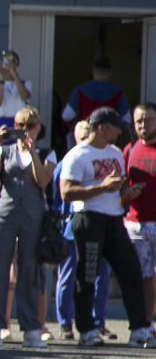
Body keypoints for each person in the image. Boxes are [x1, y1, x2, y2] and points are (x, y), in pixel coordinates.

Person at [60, 107, 152, 346]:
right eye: (115, 128)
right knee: (87, 275)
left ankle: (140, 329)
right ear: (102, 128)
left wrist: (126, 191)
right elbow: (66, 192)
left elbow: (117, 185)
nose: (120, 132)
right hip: (89, 219)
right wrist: (102, 186)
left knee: (131, 271)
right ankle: (86, 331)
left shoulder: (115, 152)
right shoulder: (77, 155)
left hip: (114, 220)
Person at [0, 108, 52, 348]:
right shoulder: (4, 150)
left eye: (30, 125)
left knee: (29, 270)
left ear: (38, 128)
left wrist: (32, 152)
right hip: (5, 213)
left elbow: (43, 180)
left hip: (33, 216)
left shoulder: (46, 152)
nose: (25, 129)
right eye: (21, 125)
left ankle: (31, 329)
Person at [52, 120, 111, 341]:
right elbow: (56, 199)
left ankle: (98, 322)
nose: (87, 139)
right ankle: (65, 323)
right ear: (75, 138)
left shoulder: (104, 161)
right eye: (83, 136)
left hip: (101, 227)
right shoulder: (66, 163)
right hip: (72, 228)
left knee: (101, 276)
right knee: (69, 275)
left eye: (90, 135)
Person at [124, 102, 156, 329]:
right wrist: (126, 194)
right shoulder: (129, 149)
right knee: (143, 277)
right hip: (135, 224)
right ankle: (146, 326)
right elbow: (121, 185)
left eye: (149, 120)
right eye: (139, 121)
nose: (143, 125)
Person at [63, 58, 131, 128]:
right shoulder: (118, 92)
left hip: (87, 132)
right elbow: (126, 119)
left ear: (93, 71)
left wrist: (75, 127)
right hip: (109, 134)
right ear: (110, 73)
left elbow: (66, 116)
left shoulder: (79, 90)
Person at [0, 50, 33, 133]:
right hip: (1, 121)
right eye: (6, 61)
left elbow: (24, 96)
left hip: (20, 122)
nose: (9, 64)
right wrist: (1, 78)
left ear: (17, 64)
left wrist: (14, 74)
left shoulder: (25, 83)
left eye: (12, 61)